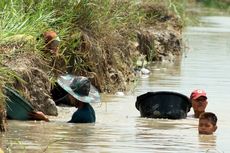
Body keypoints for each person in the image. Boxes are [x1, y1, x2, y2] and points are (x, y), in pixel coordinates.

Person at [36, 74, 101, 123]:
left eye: (70, 94)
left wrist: (44, 118)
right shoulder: (90, 109)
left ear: (76, 97)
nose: (68, 97)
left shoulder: (79, 114)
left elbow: (65, 128)